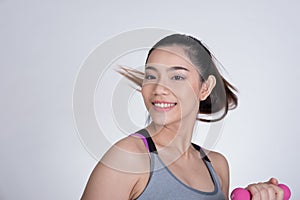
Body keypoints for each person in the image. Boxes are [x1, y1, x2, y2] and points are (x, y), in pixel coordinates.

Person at [81, 34, 284, 199]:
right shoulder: (127, 158)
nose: (159, 88)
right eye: (151, 76)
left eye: (177, 77)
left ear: (204, 88)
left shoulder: (217, 166)